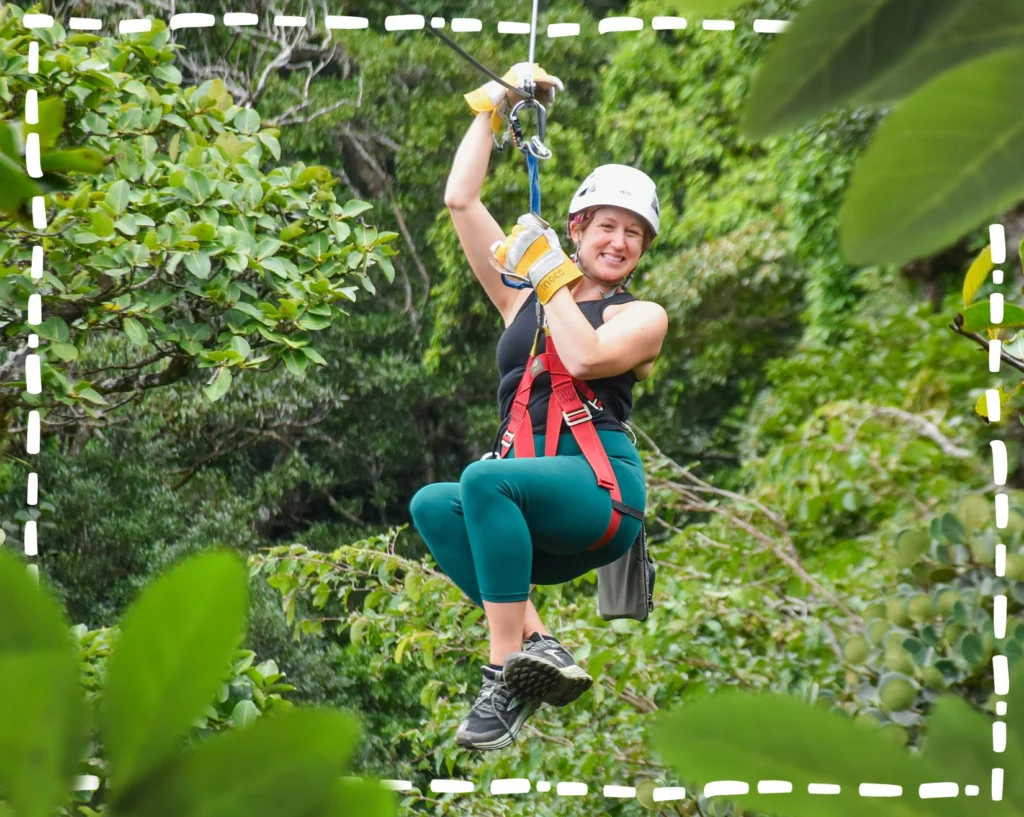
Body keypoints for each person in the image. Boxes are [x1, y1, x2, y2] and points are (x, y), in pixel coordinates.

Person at [408, 63, 669, 752]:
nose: (617, 243)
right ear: (578, 226)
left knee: (481, 479)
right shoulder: (523, 296)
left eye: (633, 236)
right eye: (606, 227)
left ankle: (501, 671)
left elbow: (582, 357)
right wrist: (495, 104)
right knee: (435, 504)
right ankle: (539, 645)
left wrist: (550, 269)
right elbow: (461, 200)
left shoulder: (642, 316)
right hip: (531, 510)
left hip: (600, 491)